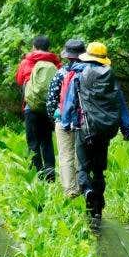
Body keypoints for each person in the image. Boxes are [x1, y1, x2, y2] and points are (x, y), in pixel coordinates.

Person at [59, 41, 129, 223]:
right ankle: (98, 208)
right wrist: (126, 127)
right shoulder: (111, 77)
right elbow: (120, 103)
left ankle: (88, 192)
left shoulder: (78, 74)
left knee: (83, 168)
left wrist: (66, 122)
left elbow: (70, 101)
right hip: (105, 130)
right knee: (99, 170)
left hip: (84, 128)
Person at [15, 35, 61, 181]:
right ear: (49, 48)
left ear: (34, 46)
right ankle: (50, 175)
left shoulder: (26, 62)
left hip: (31, 108)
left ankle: (36, 176)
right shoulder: (56, 64)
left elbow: (19, 80)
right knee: (46, 141)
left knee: (33, 142)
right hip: (49, 108)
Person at [46, 39, 86, 198]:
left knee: (65, 155)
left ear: (67, 56)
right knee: (81, 155)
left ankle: (70, 191)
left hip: (63, 120)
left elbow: (51, 100)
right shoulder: (88, 72)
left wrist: (55, 117)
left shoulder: (60, 73)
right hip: (84, 121)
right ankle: (83, 186)